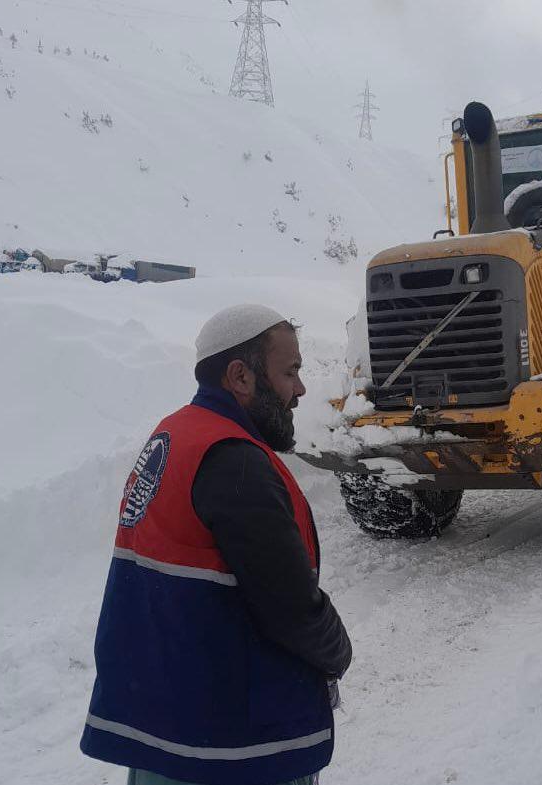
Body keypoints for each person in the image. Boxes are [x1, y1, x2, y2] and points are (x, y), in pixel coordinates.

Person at [80, 304, 352, 785]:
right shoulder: (235, 461)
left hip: (167, 730)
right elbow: (291, 606)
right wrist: (338, 652)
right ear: (240, 376)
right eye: (290, 372)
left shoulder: (175, 434)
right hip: (233, 748)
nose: (300, 390)